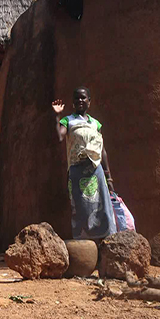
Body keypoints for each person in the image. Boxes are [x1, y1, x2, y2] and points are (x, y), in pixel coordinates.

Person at [52, 86, 117, 241]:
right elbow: (60, 137)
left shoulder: (96, 124)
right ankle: (84, 248)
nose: (80, 100)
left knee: (102, 208)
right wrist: (58, 116)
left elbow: (102, 150)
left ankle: (106, 243)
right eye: (76, 98)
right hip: (76, 171)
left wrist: (109, 177)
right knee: (80, 209)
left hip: (96, 171)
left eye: (83, 98)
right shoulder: (68, 120)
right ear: (73, 103)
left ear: (89, 101)